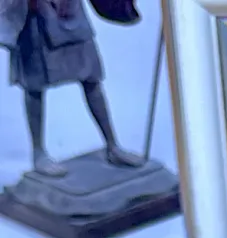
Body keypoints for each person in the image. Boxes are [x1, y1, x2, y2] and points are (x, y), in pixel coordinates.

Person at [0, 0, 141, 177]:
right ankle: (38, 153)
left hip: (72, 11)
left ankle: (113, 146)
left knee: (91, 78)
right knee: (34, 85)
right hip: (36, 15)